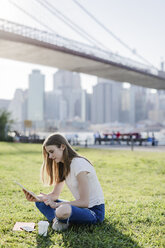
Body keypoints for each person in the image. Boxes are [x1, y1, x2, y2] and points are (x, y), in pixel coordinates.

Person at [23, 133, 105, 231]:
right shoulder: (63, 166)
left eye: (52, 152)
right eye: (48, 153)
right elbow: (54, 195)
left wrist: (58, 205)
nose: (50, 156)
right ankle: (57, 221)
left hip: (94, 212)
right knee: (40, 202)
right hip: (80, 209)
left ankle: (60, 219)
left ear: (62, 147)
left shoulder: (79, 164)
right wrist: (36, 197)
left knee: (63, 209)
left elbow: (84, 202)